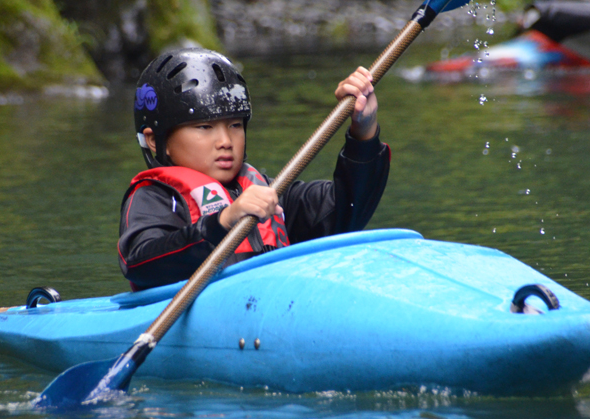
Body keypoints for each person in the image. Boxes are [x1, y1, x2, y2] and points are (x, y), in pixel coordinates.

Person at [118, 48, 390, 290]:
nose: (225, 142)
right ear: (155, 141)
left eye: (235, 125)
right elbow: (141, 264)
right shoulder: (153, 198)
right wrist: (222, 223)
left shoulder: (271, 194)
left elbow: (348, 210)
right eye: (204, 127)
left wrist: (364, 131)